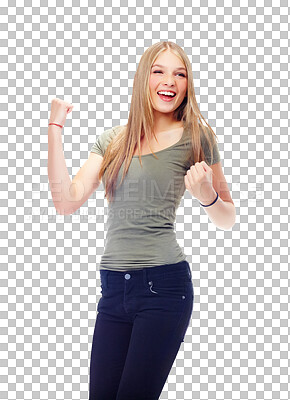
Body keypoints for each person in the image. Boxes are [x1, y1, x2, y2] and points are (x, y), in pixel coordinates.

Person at [47, 41, 236, 400]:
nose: (170, 81)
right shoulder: (114, 140)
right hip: (113, 290)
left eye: (179, 74)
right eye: (159, 71)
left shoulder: (197, 137)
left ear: (187, 83)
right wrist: (55, 128)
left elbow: (227, 218)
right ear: (143, 78)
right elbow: (66, 201)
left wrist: (207, 195)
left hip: (163, 287)